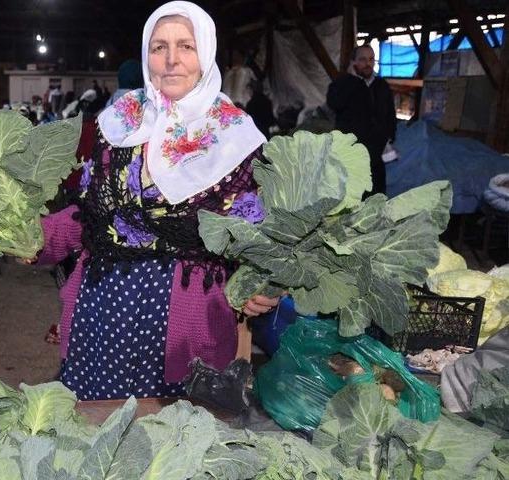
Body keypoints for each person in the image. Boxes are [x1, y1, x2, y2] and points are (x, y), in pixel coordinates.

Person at [35, 1, 278, 401]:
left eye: (185, 46)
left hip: (188, 322)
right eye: (159, 47)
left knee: (177, 443)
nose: (171, 60)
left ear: (206, 53)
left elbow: (262, 237)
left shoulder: (236, 137)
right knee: (98, 437)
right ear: (146, 55)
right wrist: (39, 239)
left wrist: (263, 287)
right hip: (103, 314)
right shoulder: (120, 123)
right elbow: (92, 214)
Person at [327, 45, 396, 195]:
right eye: (362, 59)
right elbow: (334, 103)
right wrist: (351, 81)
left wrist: (388, 137)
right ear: (353, 62)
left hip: (375, 155)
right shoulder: (343, 84)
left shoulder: (381, 86)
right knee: (352, 197)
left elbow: (390, 115)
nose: (368, 63)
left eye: (371, 59)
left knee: (375, 196)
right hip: (351, 154)